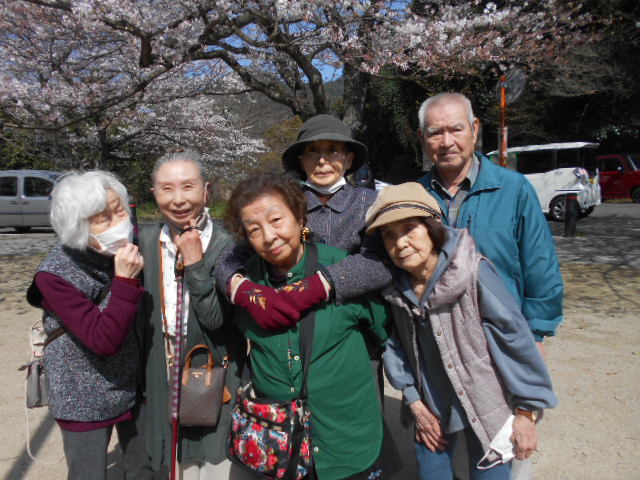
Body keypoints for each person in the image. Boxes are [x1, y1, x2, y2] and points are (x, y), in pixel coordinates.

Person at [415, 92, 564, 479]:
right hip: (436, 349)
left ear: (475, 130)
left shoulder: (513, 190)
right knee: (441, 457)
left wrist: (535, 340)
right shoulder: (414, 197)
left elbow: (541, 272)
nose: (446, 141)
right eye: (435, 132)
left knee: (498, 461)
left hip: (499, 350)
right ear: (422, 138)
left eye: (456, 129)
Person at [365, 182, 558, 480]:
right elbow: (395, 346)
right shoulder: (395, 289)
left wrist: (525, 413)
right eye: (389, 235)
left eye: (409, 228)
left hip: (488, 402)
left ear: (432, 227)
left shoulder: (474, 273)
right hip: (433, 404)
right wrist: (414, 402)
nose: (400, 243)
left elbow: (515, 342)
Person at [223, 172, 390, 479]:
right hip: (279, 446)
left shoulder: (341, 271)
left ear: (300, 219)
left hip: (347, 440)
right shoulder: (248, 288)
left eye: (276, 220)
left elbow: (384, 334)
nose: (269, 236)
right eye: (254, 229)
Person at [26, 171, 152, 480]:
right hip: (81, 396)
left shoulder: (131, 246)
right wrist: (124, 281)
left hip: (131, 384)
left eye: (118, 210)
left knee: (144, 469)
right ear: (79, 228)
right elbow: (102, 339)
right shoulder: (55, 275)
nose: (116, 222)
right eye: (101, 218)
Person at [216, 114, 391, 327]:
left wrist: (319, 285)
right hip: (288, 319)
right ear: (301, 160)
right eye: (312, 151)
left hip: (352, 321)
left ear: (348, 159)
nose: (322, 160)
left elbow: (379, 262)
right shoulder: (284, 202)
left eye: (333, 150)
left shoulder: (371, 202)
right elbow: (229, 256)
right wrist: (243, 289)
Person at [138, 151, 247, 479]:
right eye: (166, 188)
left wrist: (196, 263)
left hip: (215, 372)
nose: (179, 199)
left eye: (188, 186)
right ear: (154, 193)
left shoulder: (230, 244)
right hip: (162, 371)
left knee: (215, 461)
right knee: (171, 461)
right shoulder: (145, 242)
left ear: (206, 190)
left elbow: (216, 320)